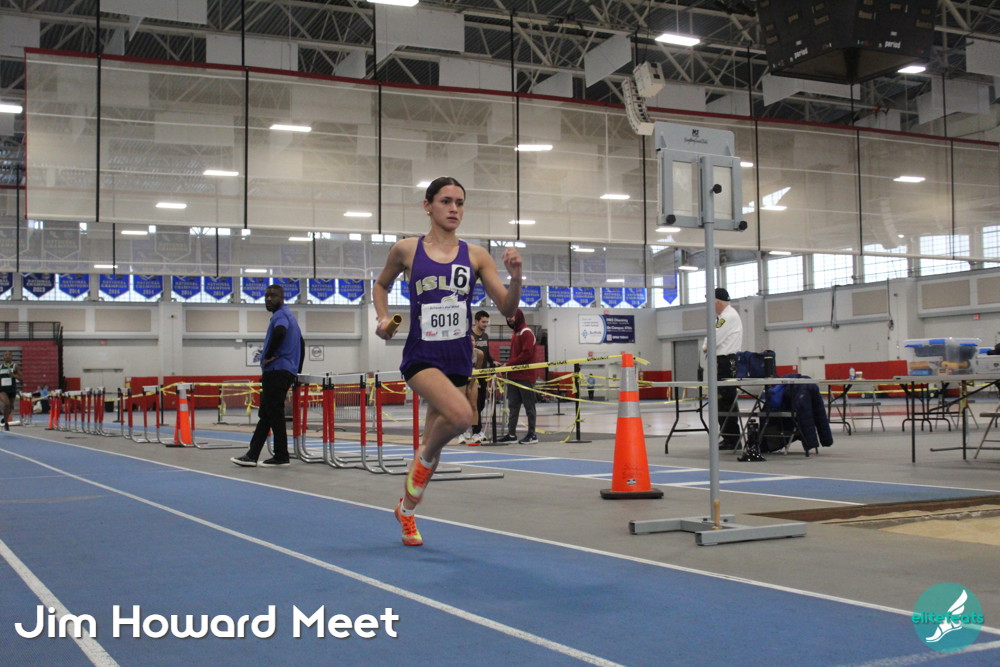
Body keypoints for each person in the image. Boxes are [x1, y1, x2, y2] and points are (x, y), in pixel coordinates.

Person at [374, 176, 522, 547]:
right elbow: (381, 285)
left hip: (457, 358)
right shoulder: (407, 249)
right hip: (421, 356)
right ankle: (421, 458)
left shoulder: (477, 256)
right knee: (460, 416)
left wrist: (517, 277)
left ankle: (406, 511)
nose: (454, 208)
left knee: (435, 446)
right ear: (428, 206)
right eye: (445, 201)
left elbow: (507, 306)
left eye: (459, 202)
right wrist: (382, 317)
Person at [231, 284, 304, 468]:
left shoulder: (280, 315)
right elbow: (302, 343)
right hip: (284, 370)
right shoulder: (290, 317)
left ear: (282, 297)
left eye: (273, 295)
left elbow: (280, 331)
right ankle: (253, 455)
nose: (269, 299)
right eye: (266, 296)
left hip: (277, 370)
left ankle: (280, 456)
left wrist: (269, 354)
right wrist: (296, 370)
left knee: (273, 413)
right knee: (267, 413)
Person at [702, 287, 743, 450]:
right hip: (722, 361)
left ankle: (732, 438)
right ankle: (730, 436)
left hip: (726, 362)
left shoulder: (727, 317)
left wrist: (706, 347)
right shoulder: (723, 317)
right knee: (722, 401)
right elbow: (711, 335)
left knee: (725, 400)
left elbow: (713, 338)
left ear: (717, 302)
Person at [495, 308, 539, 445]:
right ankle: (511, 434)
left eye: (512, 316)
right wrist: (507, 368)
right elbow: (515, 355)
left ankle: (532, 435)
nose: (509, 319)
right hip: (513, 376)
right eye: (508, 316)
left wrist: (508, 364)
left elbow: (526, 354)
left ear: (518, 316)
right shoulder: (515, 333)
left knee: (529, 406)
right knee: (513, 406)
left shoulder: (526, 332)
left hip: (526, 376)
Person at [464, 309, 496, 444]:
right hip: (470, 375)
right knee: (473, 404)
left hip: (482, 374)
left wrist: (493, 362)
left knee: (481, 404)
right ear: (476, 321)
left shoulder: (486, 336)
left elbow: (486, 354)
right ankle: (474, 430)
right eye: (483, 322)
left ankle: (474, 429)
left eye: (487, 322)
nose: (485, 324)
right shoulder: (469, 336)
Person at [0, 350, 22, 430]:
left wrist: (13, 375)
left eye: (9, 355)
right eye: (6, 355)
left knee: (11, 407)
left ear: (11, 357)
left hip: (12, 390)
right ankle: (6, 423)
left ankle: (5, 418)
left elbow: (22, 379)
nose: (7, 356)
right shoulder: (0, 367)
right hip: (2, 390)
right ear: (3, 357)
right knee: (7, 404)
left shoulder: (15, 366)